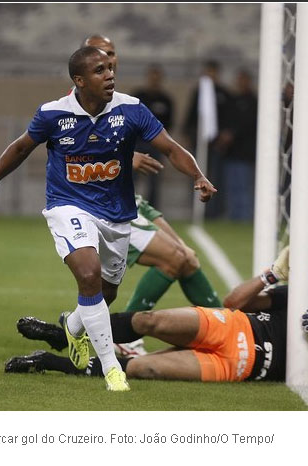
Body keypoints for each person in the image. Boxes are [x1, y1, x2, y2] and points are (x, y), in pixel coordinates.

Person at [0, 46, 216, 392]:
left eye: (110, 68)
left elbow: (170, 148)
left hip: (116, 215)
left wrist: (198, 176)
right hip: (68, 206)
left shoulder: (131, 109)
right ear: (79, 80)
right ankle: (110, 371)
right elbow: (19, 148)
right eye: (100, 70)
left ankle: (72, 327)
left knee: (106, 293)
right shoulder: (53, 114)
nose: (110, 75)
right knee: (88, 274)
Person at [7, 247, 308, 385]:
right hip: (230, 327)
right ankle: (62, 334)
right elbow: (233, 300)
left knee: (141, 368)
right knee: (150, 322)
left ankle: (49, 362)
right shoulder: (295, 299)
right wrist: (272, 274)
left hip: (235, 368)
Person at [81, 35, 221, 357]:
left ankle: (227, 325)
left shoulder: (126, 104)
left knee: (186, 256)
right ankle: (124, 334)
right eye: (101, 55)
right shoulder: (74, 105)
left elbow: (169, 145)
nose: (109, 60)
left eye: (112, 54)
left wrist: (198, 175)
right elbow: (73, 152)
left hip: (129, 202)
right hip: (97, 208)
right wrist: (126, 159)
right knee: (173, 259)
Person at [183, 60, 234, 219]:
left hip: (217, 145)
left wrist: (224, 136)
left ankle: (214, 213)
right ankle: (198, 210)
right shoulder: (199, 93)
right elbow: (191, 117)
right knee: (197, 175)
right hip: (199, 145)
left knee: (216, 178)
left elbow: (229, 119)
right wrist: (190, 135)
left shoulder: (224, 94)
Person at [130, 63, 175, 208]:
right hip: (137, 143)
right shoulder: (138, 97)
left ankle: (152, 210)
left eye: (157, 76)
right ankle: (129, 206)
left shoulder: (166, 99)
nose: (154, 79)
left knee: (154, 179)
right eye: (152, 76)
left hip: (156, 145)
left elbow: (169, 124)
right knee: (131, 177)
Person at [221, 69, 257, 221]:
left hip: (245, 152)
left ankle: (245, 216)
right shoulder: (233, 101)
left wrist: (232, 134)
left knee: (243, 186)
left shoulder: (253, 102)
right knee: (232, 185)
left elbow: (248, 124)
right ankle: (234, 215)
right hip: (231, 152)